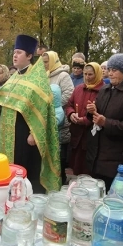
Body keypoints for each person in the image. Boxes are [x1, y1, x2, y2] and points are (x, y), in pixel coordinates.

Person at [0, 34, 61, 193]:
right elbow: (7, 104)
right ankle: (12, 197)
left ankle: (29, 201)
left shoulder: (37, 80)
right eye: (14, 52)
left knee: (25, 170)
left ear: (29, 56)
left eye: (19, 52)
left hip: (24, 135)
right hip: (8, 135)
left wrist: (35, 133)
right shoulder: (13, 78)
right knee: (11, 172)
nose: (15, 55)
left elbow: (43, 109)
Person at [85, 53, 123, 192]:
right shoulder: (105, 89)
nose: (109, 73)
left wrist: (105, 122)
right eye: (109, 69)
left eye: (114, 70)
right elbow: (97, 116)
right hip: (97, 155)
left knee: (113, 198)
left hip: (116, 159)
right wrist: (91, 111)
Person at [65, 62, 104, 175]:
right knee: (75, 166)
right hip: (76, 134)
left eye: (90, 74)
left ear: (97, 74)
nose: (87, 77)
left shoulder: (103, 91)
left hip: (91, 136)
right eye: (85, 74)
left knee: (88, 169)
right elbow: (69, 104)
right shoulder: (78, 89)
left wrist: (84, 120)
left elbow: (102, 111)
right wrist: (71, 114)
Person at [42, 50, 74, 185]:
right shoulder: (45, 75)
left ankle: (60, 179)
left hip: (59, 120)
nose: (44, 64)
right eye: (43, 62)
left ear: (53, 60)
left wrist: (54, 106)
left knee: (58, 152)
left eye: (46, 62)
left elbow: (69, 93)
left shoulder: (63, 76)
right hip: (45, 118)